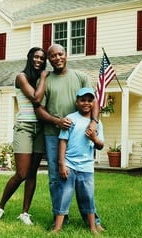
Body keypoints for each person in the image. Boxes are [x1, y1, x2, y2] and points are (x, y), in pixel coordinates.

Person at [35, 44, 104, 231]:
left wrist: (94, 122)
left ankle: (93, 221)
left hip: (78, 135)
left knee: (84, 182)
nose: (57, 58)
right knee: (56, 178)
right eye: (53, 56)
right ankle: (60, 219)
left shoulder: (80, 77)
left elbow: (94, 101)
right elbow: (38, 108)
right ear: (48, 59)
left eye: (60, 54)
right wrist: (57, 121)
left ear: (66, 55)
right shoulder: (46, 79)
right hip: (52, 135)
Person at [0, 47, 48, 225]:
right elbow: (36, 98)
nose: (38, 60)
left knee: (32, 174)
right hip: (24, 127)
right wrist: (44, 77)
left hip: (41, 129)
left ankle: (24, 213)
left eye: (42, 58)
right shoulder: (21, 77)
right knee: (21, 173)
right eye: (36, 57)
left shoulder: (41, 79)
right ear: (30, 58)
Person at [52, 87, 104, 235]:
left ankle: (93, 227)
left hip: (86, 166)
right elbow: (63, 141)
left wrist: (94, 138)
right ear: (77, 102)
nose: (86, 103)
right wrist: (61, 163)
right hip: (69, 164)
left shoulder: (97, 124)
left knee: (88, 196)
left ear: (93, 103)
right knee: (64, 195)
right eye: (82, 100)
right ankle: (57, 228)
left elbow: (100, 145)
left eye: (89, 100)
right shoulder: (71, 119)